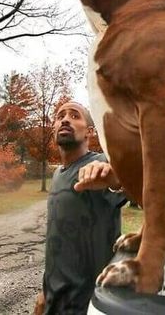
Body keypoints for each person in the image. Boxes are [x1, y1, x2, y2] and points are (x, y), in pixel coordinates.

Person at [34, 101, 126, 315]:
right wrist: (44, 292)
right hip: (53, 301)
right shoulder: (58, 174)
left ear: (90, 133)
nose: (65, 119)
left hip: (87, 305)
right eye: (60, 116)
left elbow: (136, 189)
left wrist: (116, 179)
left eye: (75, 116)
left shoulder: (102, 164)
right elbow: (56, 243)